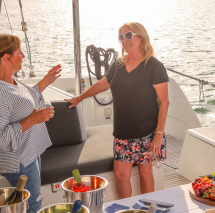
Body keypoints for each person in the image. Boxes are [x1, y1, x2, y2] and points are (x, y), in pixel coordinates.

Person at [66, 22, 169, 199]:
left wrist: (158, 134)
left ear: (141, 37)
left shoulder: (154, 65)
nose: (124, 40)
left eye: (129, 35)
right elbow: (103, 84)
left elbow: (164, 102)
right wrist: (80, 98)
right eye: (121, 37)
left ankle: (147, 212)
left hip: (147, 132)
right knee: (121, 176)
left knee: (145, 174)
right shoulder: (119, 64)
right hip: (122, 132)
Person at [0, 34, 61, 213]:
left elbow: (23, 99)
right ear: (7, 57)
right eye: (19, 52)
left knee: (32, 200)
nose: (23, 56)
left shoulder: (9, 79)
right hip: (18, 159)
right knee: (32, 204)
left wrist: (45, 81)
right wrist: (33, 119)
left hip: (27, 151)